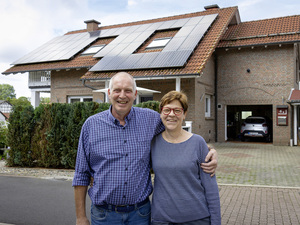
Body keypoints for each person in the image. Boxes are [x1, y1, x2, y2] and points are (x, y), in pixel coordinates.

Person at [72, 72, 218, 225]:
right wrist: (80, 217)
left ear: (135, 94)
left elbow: (176, 132)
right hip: (104, 215)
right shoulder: (91, 126)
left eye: (128, 90)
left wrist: (208, 150)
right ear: (109, 93)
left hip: (140, 215)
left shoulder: (151, 119)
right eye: (117, 90)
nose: (122, 95)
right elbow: (81, 174)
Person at [151, 91, 221, 225]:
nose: (171, 114)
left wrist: (216, 222)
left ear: (184, 114)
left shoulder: (198, 143)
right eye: (167, 110)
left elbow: (211, 190)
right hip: (162, 220)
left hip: (196, 220)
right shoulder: (153, 143)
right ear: (160, 113)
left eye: (177, 110)